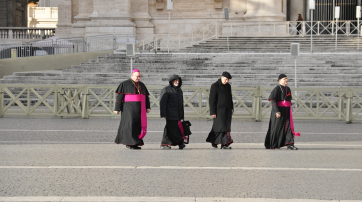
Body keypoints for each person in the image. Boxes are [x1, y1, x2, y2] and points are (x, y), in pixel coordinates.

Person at [114, 69, 151, 149]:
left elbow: (146, 97)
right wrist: (117, 109)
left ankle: (136, 142)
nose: (138, 78)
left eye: (139, 76)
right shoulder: (124, 84)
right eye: (137, 76)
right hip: (128, 108)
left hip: (139, 109)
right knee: (130, 124)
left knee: (138, 125)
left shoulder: (141, 85)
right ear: (132, 75)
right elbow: (119, 97)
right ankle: (130, 143)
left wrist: (147, 107)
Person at [264, 74, 300, 150]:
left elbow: (289, 100)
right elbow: (273, 101)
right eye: (284, 79)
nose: (286, 80)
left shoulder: (288, 89)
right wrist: (277, 111)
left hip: (286, 110)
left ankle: (290, 144)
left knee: (288, 127)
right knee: (277, 127)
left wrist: (291, 109)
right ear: (280, 80)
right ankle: (273, 144)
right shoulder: (277, 88)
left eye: (286, 79)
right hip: (279, 111)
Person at [206, 72, 234, 149]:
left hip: (227, 110)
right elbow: (212, 100)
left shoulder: (228, 86)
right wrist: (213, 112)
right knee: (220, 127)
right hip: (219, 111)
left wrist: (232, 108)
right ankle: (223, 143)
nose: (226, 81)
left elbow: (230, 98)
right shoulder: (215, 86)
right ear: (222, 77)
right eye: (225, 79)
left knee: (225, 126)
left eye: (227, 80)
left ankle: (220, 142)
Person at [159, 74, 187, 150]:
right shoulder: (166, 89)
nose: (176, 82)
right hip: (170, 113)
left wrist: (182, 114)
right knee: (174, 128)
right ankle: (180, 142)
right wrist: (163, 113)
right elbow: (162, 103)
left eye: (178, 80)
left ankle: (165, 143)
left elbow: (181, 103)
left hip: (178, 113)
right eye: (175, 80)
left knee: (170, 128)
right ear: (171, 81)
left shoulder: (179, 90)